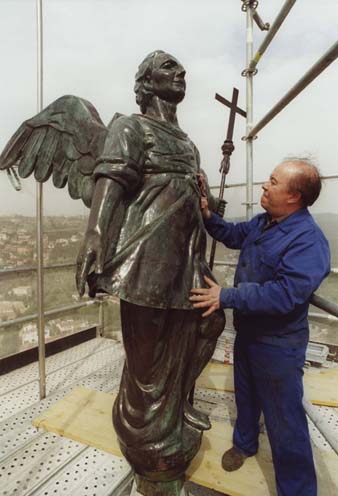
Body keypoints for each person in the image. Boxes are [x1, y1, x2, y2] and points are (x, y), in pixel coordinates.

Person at [76, 50, 225, 491]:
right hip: (146, 259)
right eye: (167, 67)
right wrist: (96, 233)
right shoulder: (131, 127)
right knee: (146, 363)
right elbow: (113, 179)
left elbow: (197, 202)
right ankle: (149, 450)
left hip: (185, 260)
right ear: (145, 82)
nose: (180, 72)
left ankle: (177, 406)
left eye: (180, 67)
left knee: (209, 322)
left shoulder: (188, 142)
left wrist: (208, 203)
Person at [190, 158, 330, 496]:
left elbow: (286, 294)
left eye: (273, 181)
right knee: (247, 394)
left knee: (285, 421)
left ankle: (297, 490)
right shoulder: (265, 222)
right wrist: (208, 214)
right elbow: (232, 234)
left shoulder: (309, 242)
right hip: (249, 333)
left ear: (294, 196)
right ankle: (245, 444)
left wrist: (227, 295)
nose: (264, 186)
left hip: (279, 343)